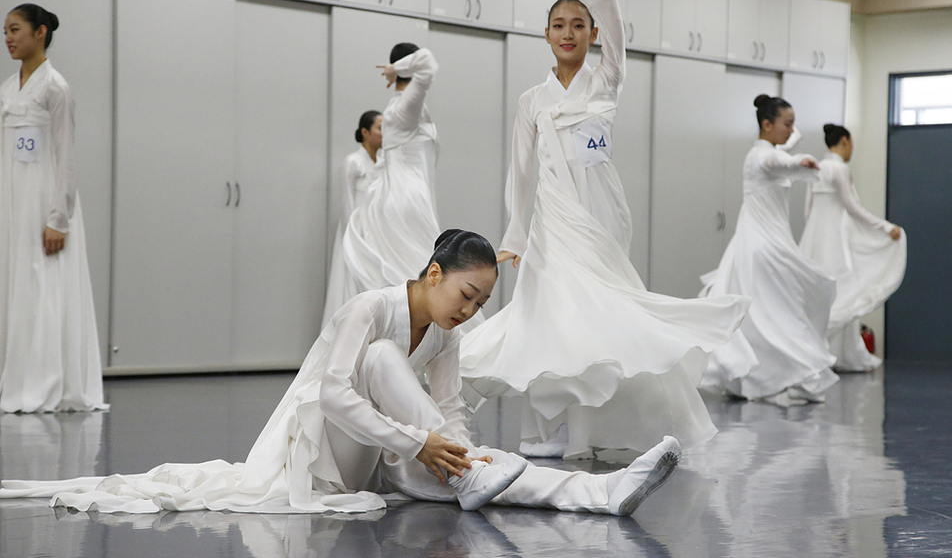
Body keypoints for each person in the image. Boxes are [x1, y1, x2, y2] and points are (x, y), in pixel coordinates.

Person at [1, 230, 682, 517]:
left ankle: (597, 492)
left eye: (480, 303)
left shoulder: (445, 335)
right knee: (385, 363)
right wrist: (423, 443)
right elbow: (333, 392)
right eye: (466, 296)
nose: (469, 310)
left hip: (385, 460)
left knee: (479, 455)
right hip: (324, 459)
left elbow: (446, 412)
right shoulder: (371, 307)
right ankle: (472, 471)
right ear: (434, 273)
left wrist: (450, 448)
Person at [459, 0, 749, 459]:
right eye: (558, 26)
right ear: (545, 34)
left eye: (578, 25)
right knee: (551, 318)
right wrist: (517, 232)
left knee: (597, 317)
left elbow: (610, 0)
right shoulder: (531, 100)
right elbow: (520, 171)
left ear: (594, 33)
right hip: (553, 224)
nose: (568, 33)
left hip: (602, 216)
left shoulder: (605, 79)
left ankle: (595, 430)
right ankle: (545, 431)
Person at [0, 3, 106, 413]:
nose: (8, 38)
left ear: (40, 32)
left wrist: (58, 218)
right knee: (15, 283)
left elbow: (66, 157)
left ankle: (45, 379)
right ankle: (15, 371)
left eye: (15, 30)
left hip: (43, 200)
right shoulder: (9, 89)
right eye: (5, 31)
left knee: (42, 285)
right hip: (12, 198)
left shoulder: (55, 88)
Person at [699, 95, 839, 406]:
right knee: (776, 315)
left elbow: (782, 153)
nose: (792, 130)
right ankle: (772, 378)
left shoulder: (769, 149)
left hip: (762, 244)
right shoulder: (761, 157)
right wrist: (797, 161)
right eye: (787, 124)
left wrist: (792, 150)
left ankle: (764, 377)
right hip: (763, 248)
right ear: (767, 124)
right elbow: (777, 162)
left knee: (770, 315)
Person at [337, 44, 442, 311]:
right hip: (406, 199)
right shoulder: (404, 107)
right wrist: (398, 70)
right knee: (422, 278)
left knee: (414, 274)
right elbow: (428, 63)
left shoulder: (400, 110)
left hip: (405, 196)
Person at [799, 124, 906, 371]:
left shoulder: (817, 167)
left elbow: (808, 209)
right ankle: (837, 352)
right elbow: (852, 207)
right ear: (844, 141)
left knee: (816, 294)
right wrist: (884, 226)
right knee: (842, 290)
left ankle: (813, 351)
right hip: (835, 238)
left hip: (814, 237)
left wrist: (810, 234)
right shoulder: (839, 168)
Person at [322, 110, 383, 329]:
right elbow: (347, 203)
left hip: (377, 233)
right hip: (355, 232)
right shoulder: (353, 162)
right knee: (351, 281)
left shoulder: (384, 162)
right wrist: (355, 236)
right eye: (379, 128)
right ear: (365, 132)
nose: (384, 134)